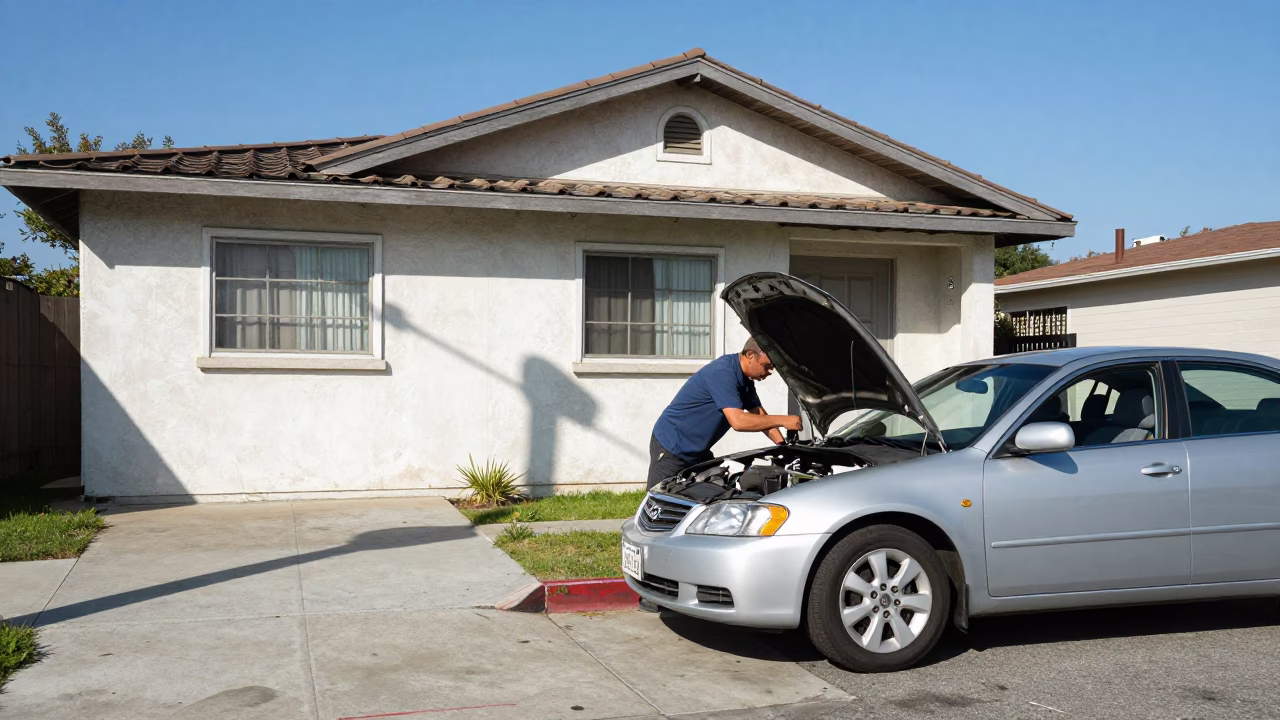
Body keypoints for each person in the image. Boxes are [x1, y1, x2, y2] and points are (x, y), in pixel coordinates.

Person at [647, 338, 803, 490]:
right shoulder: (723, 372)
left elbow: (761, 416)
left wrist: (782, 447)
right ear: (750, 355)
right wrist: (783, 420)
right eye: (767, 366)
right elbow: (738, 421)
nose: (770, 372)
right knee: (660, 502)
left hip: (698, 451)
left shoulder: (745, 381)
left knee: (712, 495)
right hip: (673, 446)